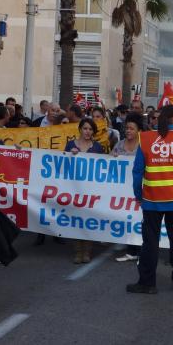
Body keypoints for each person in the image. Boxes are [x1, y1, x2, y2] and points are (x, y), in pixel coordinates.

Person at [128, 105, 173, 294]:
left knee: (150, 242)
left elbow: (137, 172)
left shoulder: (145, 138)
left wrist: (138, 195)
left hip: (151, 200)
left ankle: (147, 283)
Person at [64, 119, 104, 263]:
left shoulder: (98, 147)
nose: (88, 132)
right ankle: (78, 251)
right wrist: (69, 155)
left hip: (91, 190)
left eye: (90, 129)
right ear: (80, 129)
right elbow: (62, 166)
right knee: (76, 220)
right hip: (74, 188)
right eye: (85, 128)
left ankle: (87, 251)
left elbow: (103, 167)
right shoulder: (70, 145)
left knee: (88, 220)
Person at [112, 113, 144, 263]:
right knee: (127, 217)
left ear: (139, 130)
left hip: (139, 187)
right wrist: (113, 158)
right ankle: (131, 250)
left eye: (132, 128)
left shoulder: (144, 145)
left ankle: (141, 251)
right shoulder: (119, 145)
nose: (128, 131)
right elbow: (109, 162)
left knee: (140, 219)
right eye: (126, 128)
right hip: (122, 190)